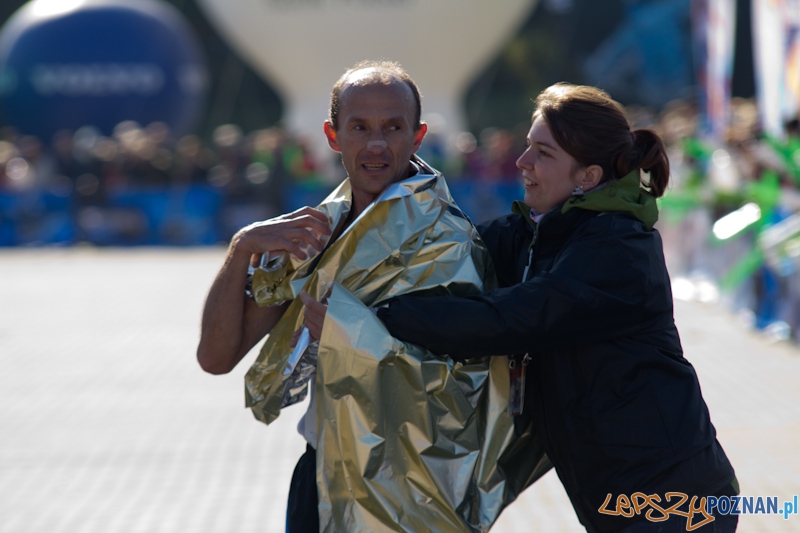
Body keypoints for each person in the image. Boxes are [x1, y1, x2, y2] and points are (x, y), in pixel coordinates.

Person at [302, 83, 738, 532]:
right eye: (527, 146)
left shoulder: (618, 247)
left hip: (679, 502)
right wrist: (392, 185)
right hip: (617, 505)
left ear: (587, 177)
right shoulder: (537, 233)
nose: (522, 162)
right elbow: (454, 253)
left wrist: (376, 320)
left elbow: (507, 319)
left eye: (543, 154)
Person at [197, 60, 510, 533]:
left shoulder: (450, 242)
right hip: (320, 475)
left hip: (413, 486)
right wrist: (243, 247)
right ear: (332, 135)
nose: (377, 144)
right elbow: (216, 357)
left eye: (393, 128)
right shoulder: (313, 233)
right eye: (360, 127)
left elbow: (471, 388)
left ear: (418, 136)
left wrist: (351, 333)